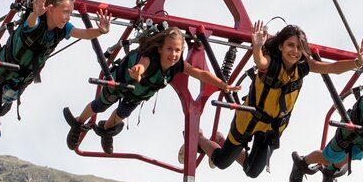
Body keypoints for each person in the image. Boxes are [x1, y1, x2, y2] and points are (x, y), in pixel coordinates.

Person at [195, 21, 363, 178]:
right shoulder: (271, 63)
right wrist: (257, 46)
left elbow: (333, 68)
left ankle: (221, 141)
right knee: (221, 162)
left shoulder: (303, 67)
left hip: (272, 128)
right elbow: (260, 62)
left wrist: (358, 62)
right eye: (290, 45)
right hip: (249, 119)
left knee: (252, 171)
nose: (294, 51)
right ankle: (200, 139)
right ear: (280, 46)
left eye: (298, 47)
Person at [0, 0, 110, 139]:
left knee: (8, 95)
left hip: (24, 74)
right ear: (50, 9)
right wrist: (35, 13)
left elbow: (83, 33)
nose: (68, 17)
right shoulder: (36, 21)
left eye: (70, 13)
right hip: (6, 64)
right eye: (65, 12)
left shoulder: (64, 29)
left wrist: (100, 31)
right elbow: (31, 22)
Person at [64, 27, 239, 154]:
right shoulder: (151, 59)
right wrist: (137, 73)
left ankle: (107, 129)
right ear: (160, 48)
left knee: (122, 114)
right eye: (169, 49)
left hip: (135, 95)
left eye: (177, 50)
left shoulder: (177, 65)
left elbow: (200, 73)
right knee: (99, 106)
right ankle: (79, 123)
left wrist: (223, 85)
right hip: (121, 84)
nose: (173, 54)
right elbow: (141, 66)